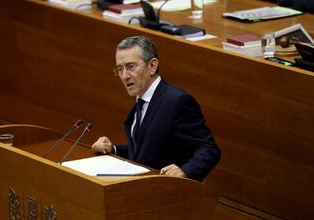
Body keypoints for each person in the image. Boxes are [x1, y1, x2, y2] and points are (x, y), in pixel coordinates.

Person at [91, 35, 220, 181]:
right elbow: (146, 153)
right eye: (120, 69)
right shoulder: (141, 102)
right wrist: (112, 149)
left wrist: (185, 171)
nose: (124, 76)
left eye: (131, 67)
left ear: (152, 65)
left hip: (170, 191)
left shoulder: (176, 101)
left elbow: (209, 149)